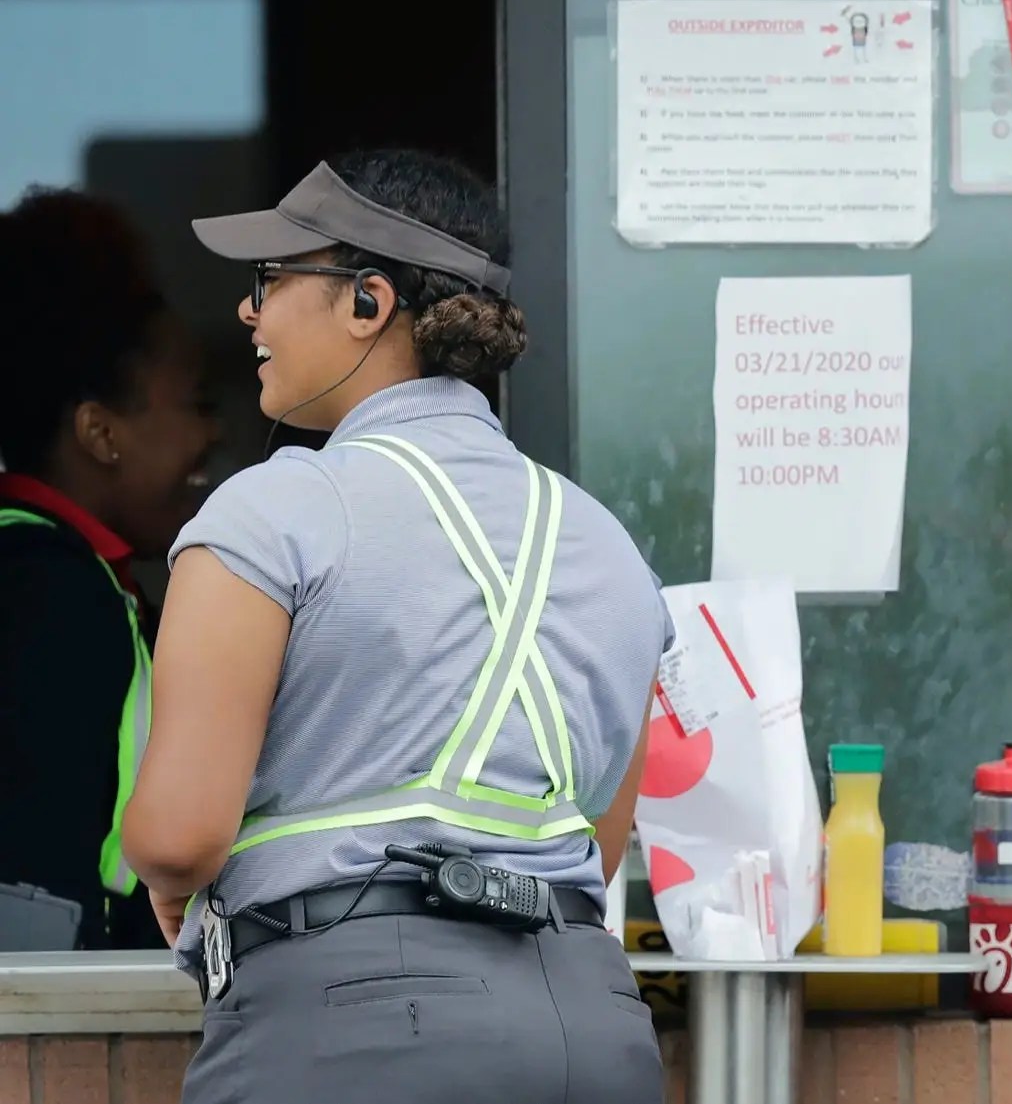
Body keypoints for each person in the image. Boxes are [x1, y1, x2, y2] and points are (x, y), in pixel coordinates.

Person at [120, 150, 670, 1104]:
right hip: (594, 1025)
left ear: (367, 303)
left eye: (272, 279)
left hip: (354, 1026)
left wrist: (180, 871)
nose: (249, 312)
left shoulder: (276, 509)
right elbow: (595, 842)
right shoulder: (612, 547)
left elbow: (177, 836)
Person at [0, 188, 218, 950]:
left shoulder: (72, 578)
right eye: (196, 403)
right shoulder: (49, 595)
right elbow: (37, 891)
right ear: (99, 431)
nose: (213, 437)